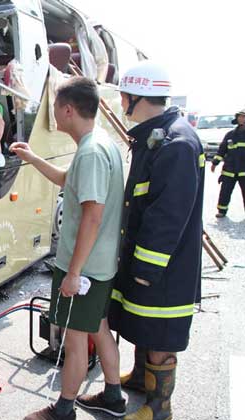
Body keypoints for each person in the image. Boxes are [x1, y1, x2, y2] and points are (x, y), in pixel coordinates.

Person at [11, 77, 125, 420]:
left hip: (85, 267)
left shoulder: (90, 152)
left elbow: (92, 215)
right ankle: (114, 397)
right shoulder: (100, 143)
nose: (54, 116)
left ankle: (63, 410)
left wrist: (73, 273)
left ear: (68, 109)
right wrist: (32, 158)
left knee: (75, 341)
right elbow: (66, 179)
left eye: (55, 109)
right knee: (98, 328)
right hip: (101, 263)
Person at [108, 61, 204, 420]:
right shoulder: (155, 134)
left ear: (135, 97)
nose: (119, 101)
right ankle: (139, 380)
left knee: (160, 333)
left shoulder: (176, 142)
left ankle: (159, 407)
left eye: (123, 96)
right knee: (141, 322)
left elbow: (168, 216)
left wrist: (146, 267)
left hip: (164, 267)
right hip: (146, 259)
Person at [211, 108, 245, 218]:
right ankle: (222, 211)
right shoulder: (230, 134)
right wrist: (215, 163)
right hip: (229, 170)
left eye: (243, 117)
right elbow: (222, 150)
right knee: (225, 192)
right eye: (240, 116)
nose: (241, 119)